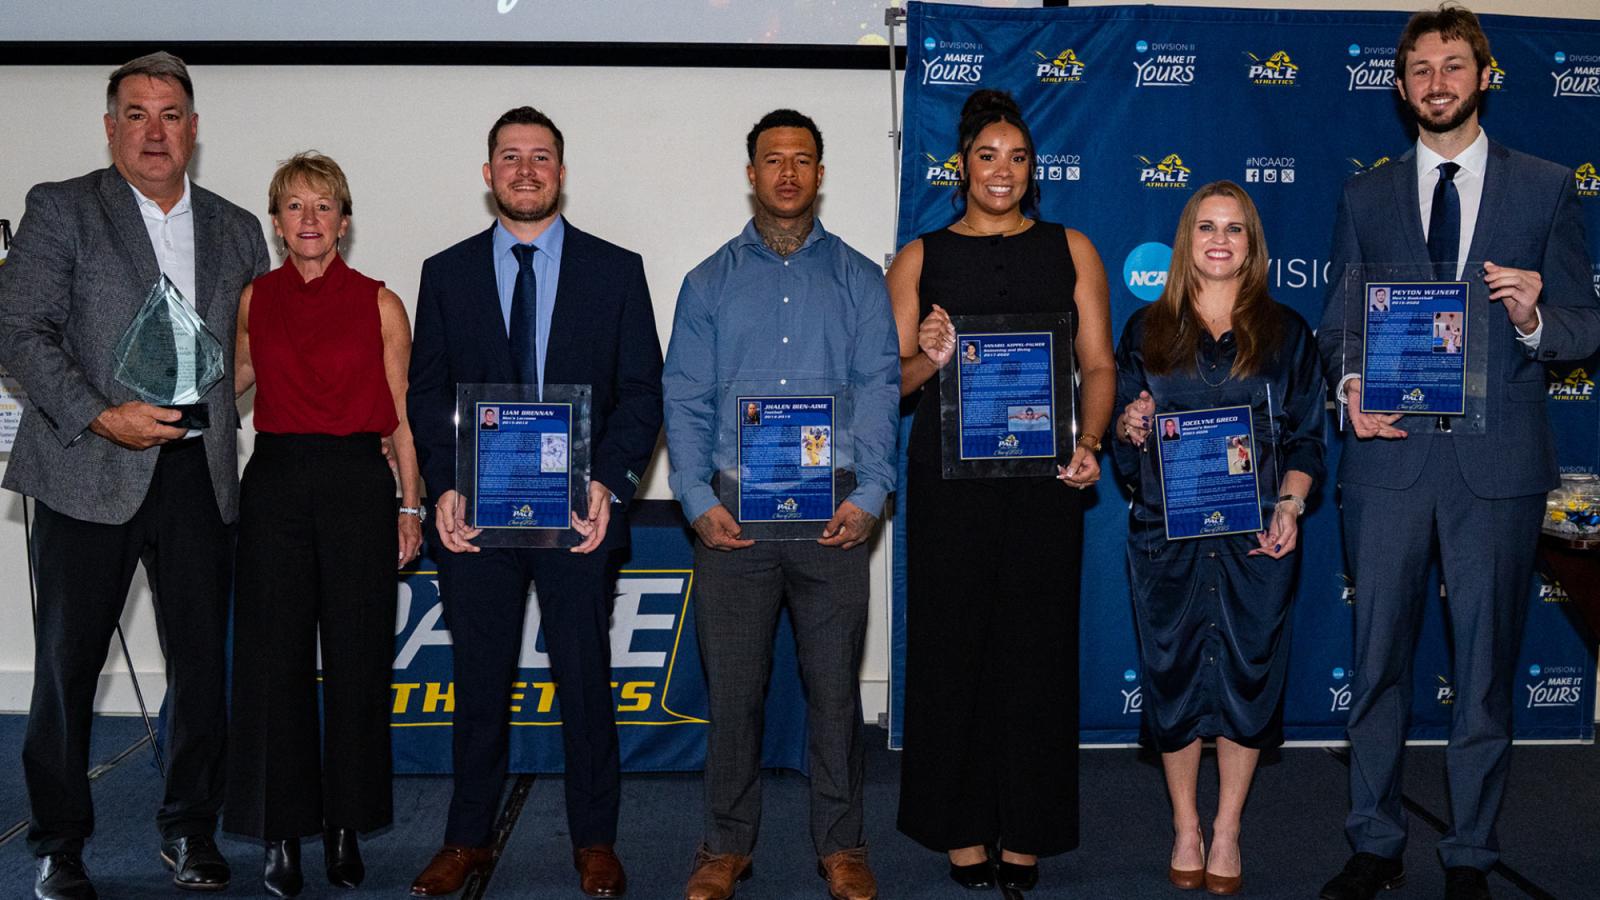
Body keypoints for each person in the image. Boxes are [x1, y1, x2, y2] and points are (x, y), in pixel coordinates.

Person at [1315, 7, 1600, 900]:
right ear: (1401, 89)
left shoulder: (1546, 187)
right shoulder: (1365, 196)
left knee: (1484, 675)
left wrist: (1535, 316)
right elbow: (1339, 326)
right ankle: (1375, 841)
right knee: (1375, 667)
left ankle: (1471, 852)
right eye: (1420, 70)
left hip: (1497, 467)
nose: (1436, 83)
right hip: (1389, 462)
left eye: (1451, 65)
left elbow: (1584, 327)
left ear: (1483, 76)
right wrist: (1351, 385)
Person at [0, 51, 268, 900]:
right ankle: (59, 844)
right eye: (138, 114)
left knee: (201, 667)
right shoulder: (61, 208)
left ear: (194, 128)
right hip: (89, 467)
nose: (156, 131)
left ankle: (190, 829)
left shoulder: (236, 227)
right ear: (111, 125)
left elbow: (255, 346)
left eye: (171, 114)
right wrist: (98, 414)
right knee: (65, 670)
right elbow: (18, 330)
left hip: (198, 473)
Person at [406, 106, 663, 898]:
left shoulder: (615, 270)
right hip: (477, 519)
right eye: (511, 157)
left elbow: (642, 393)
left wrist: (608, 481)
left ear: (561, 172)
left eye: (541, 156)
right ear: (489, 173)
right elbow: (426, 394)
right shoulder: (445, 272)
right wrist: (446, 484)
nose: (526, 170)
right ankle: (466, 838)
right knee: (478, 682)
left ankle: (595, 841)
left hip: (579, 516)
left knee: (584, 681)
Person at [662, 109, 898, 900]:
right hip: (734, 518)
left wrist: (871, 494)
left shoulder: (859, 278)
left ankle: (843, 847)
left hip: (835, 515)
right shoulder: (708, 282)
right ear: (751, 173)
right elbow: (685, 399)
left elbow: (878, 389)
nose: (787, 172)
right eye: (773, 159)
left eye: (802, 159)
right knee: (733, 695)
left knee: (833, 695)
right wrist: (696, 499)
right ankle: (725, 847)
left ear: (820, 174)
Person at [889, 89, 1114, 894]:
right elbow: (891, 383)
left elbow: (1099, 366)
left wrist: (1090, 443)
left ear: (1032, 169)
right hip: (950, 490)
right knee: (952, 652)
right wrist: (930, 356)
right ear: (962, 165)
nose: (1002, 170)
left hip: (1045, 486)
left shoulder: (1071, 248)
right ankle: (959, 830)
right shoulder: (919, 258)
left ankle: (1027, 832)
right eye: (987, 156)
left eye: (1017, 157)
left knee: (1037, 656)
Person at [1112, 181, 1326, 895]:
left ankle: (1227, 827)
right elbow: (1123, 438)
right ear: (1187, 239)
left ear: (1252, 244)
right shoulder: (1146, 329)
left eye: (1235, 229)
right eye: (1207, 226)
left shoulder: (1287, 332)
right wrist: (1131, 426)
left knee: (1247, 679)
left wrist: (1290, 505)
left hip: (1257, 538)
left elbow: (1307, 437)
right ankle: (1185, 825)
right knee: (1172, 678)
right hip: (1166, 538)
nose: (1220, 240)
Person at [224, 152, 425, 898]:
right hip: (275, 484)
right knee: (272, 663)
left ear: (344, 221)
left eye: (323, 205)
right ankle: (281, 834)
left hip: (357, 488)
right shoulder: (254, 299)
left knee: (358, 660)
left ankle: (346, 825)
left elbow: (401, 416)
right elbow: (224, 383)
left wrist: (410, 504)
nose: (309, 218)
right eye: (294, 206)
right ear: (277, 224)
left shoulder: (381, 303)